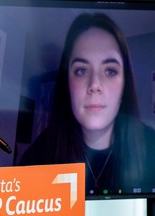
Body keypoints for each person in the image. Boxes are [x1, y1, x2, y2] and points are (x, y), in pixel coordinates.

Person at [19, 13, 155, 195]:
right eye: (81, 70)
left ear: (125, 84)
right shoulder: (37, 158)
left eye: (110, 71)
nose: (94, 85)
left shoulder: (151, 148)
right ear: (67, 84)